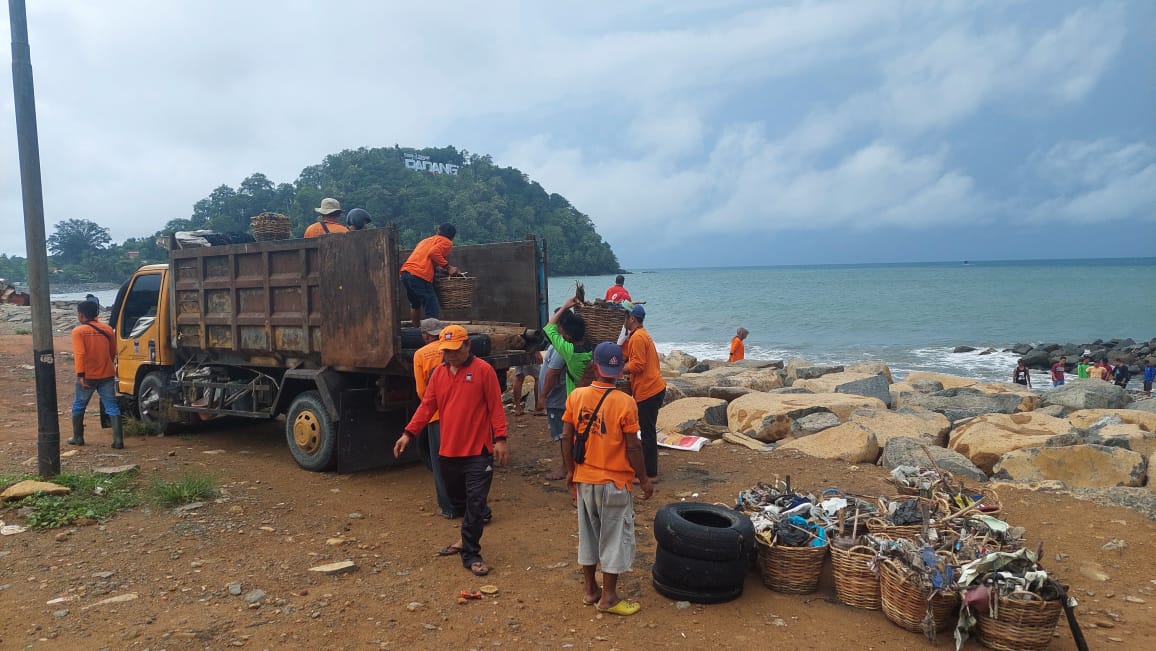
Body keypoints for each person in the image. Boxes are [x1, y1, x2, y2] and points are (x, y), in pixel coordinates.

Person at [393, 325, 507, 577]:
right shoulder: (438, 374)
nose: (451, 355)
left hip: (478, 451)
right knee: (459, 500)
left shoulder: (483, 371)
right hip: (449, 452)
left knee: (476, 503)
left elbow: (495, 407)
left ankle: (471, 553)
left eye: (455, 350)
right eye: (446, 351)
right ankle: (464, 538)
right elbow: (426, 407)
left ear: (467, 345)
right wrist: (408, 434)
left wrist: (500, 438)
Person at [562, 341, 653, 616]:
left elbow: (566, 436)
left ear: (594, 366)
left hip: (585, 480)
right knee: (613, 538)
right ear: (619, 370)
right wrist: (644, 479)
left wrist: (570, 471)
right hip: (614, 483)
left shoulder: (576, 397)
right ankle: (609, 597)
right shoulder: (625, 402)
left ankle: (590, 590)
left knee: (588, 535)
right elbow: (633, 446)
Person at [412, 318, 457, 519]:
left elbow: (422, 391)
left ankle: (448, 507)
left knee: (440, 464)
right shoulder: (452, 350)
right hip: (457, 415)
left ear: (424, 335)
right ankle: (465, 503)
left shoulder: (420, 354)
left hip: (436, 417)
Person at [622, 304, 666, 483]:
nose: (622, 321)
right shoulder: (639, 335)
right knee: (647, 431)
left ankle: (650, 474)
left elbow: (638, 365)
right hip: (652, 387)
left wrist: (619, 369)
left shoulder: (638, 337)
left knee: (647, 433)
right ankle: (647, 470)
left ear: (632, 319)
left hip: (649, 390)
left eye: (625, 317)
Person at [69, 300, 122, 448]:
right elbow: (112, 352)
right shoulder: (108, 329)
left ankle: (78, 437)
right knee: (111, 405)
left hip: (88, 375)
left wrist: (80, 375)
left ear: (81, 315)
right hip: (107, 373)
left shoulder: (78, 331)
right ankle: (118, 440)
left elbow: (80, 354)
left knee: (79, 405)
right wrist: (107, 364)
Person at [400, 223, 459, 325]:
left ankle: (415, 329)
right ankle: (431, 336)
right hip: (419, 276)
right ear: (452, 237)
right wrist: (448, 268)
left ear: (438, 231)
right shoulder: (447, 242)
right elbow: (433, 253)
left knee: (415, 304)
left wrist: (440, 269)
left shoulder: (425, 241)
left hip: (406, 273)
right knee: (431, 307)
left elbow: (426, 258)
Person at [544, 296, 595, 396]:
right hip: (591, 396)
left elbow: (548, 328)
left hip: (575, 398)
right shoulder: (591, 347)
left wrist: (565, 307)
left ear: (568, 335)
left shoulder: (569, 351)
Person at [538, 344, 569, 480]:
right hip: (558, 398)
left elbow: (553, 372)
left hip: (557, 399)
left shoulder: (560, 346)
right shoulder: (557, 344)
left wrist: (543, 396)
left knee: (563, 435)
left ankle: (566, 468)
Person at [511, 351, 543, 417]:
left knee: (519, 377)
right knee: (538, 377)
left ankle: (517, 408)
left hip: (518, 350)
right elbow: (532, 340)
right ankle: (538, 408)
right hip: (530, 351)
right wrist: (536, 352)